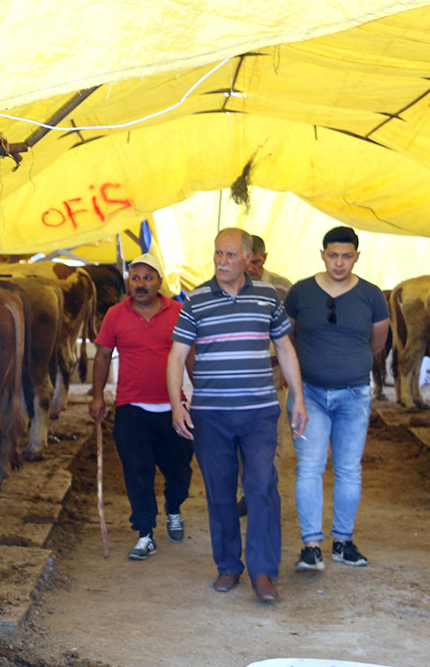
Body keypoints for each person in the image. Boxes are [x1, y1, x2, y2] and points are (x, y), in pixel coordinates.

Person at [167, 228, 308, 603]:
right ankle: (229, 566)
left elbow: (285, 347)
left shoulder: (267, 297)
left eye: (230, 255)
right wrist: (177, 403)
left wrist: (299, 398)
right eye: (218, 254)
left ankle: (263, 572)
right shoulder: (195, 299)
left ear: (248, 258)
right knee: (219, 491)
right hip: (211, 414)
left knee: (262, 486)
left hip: (260, 412)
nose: (222, 261)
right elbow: (177, 355)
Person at [284, 226, 389, 571]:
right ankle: (311, 546)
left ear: (357, 256)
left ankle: (343, 541)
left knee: (348, 470)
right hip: (309, 393)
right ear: (322, 254)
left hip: (354, 395)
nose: (339, 262)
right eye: (333, 255)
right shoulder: (300, 292)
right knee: (310, 468)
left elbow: (376, 344)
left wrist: (347, 366)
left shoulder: (372, 296)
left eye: (346, 256)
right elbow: (288, 338)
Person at [89, 254, 194, 561]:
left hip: (174, 409)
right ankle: (145, 533)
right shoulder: (115, 315)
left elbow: (190, 357)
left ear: (160, 282)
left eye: (148, 278)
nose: (141, 284)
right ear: (128, 282)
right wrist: (97, 396)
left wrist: (204, 393)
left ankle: (174, 507)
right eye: (136, 278)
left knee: (180, 472)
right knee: (137, 473)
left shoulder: (178, 312)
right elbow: (102, 357)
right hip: (131, 408)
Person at [237, 234, 294, 517]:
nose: (250, 268)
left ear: (265, 258)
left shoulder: (283, 288)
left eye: (256, 262)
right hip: (237, 372)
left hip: (272, 369)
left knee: (272, 434)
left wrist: (288, 367)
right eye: (246, 261)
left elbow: (295, 330)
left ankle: (265, 489)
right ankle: (246, 492)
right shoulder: (227, 285)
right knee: (240, 434)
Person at [246, 234, 292, 302]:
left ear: (264, 257)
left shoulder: (283, 286)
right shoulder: (229, 284)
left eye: (256, 262)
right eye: (245, 262)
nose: (250, 268)